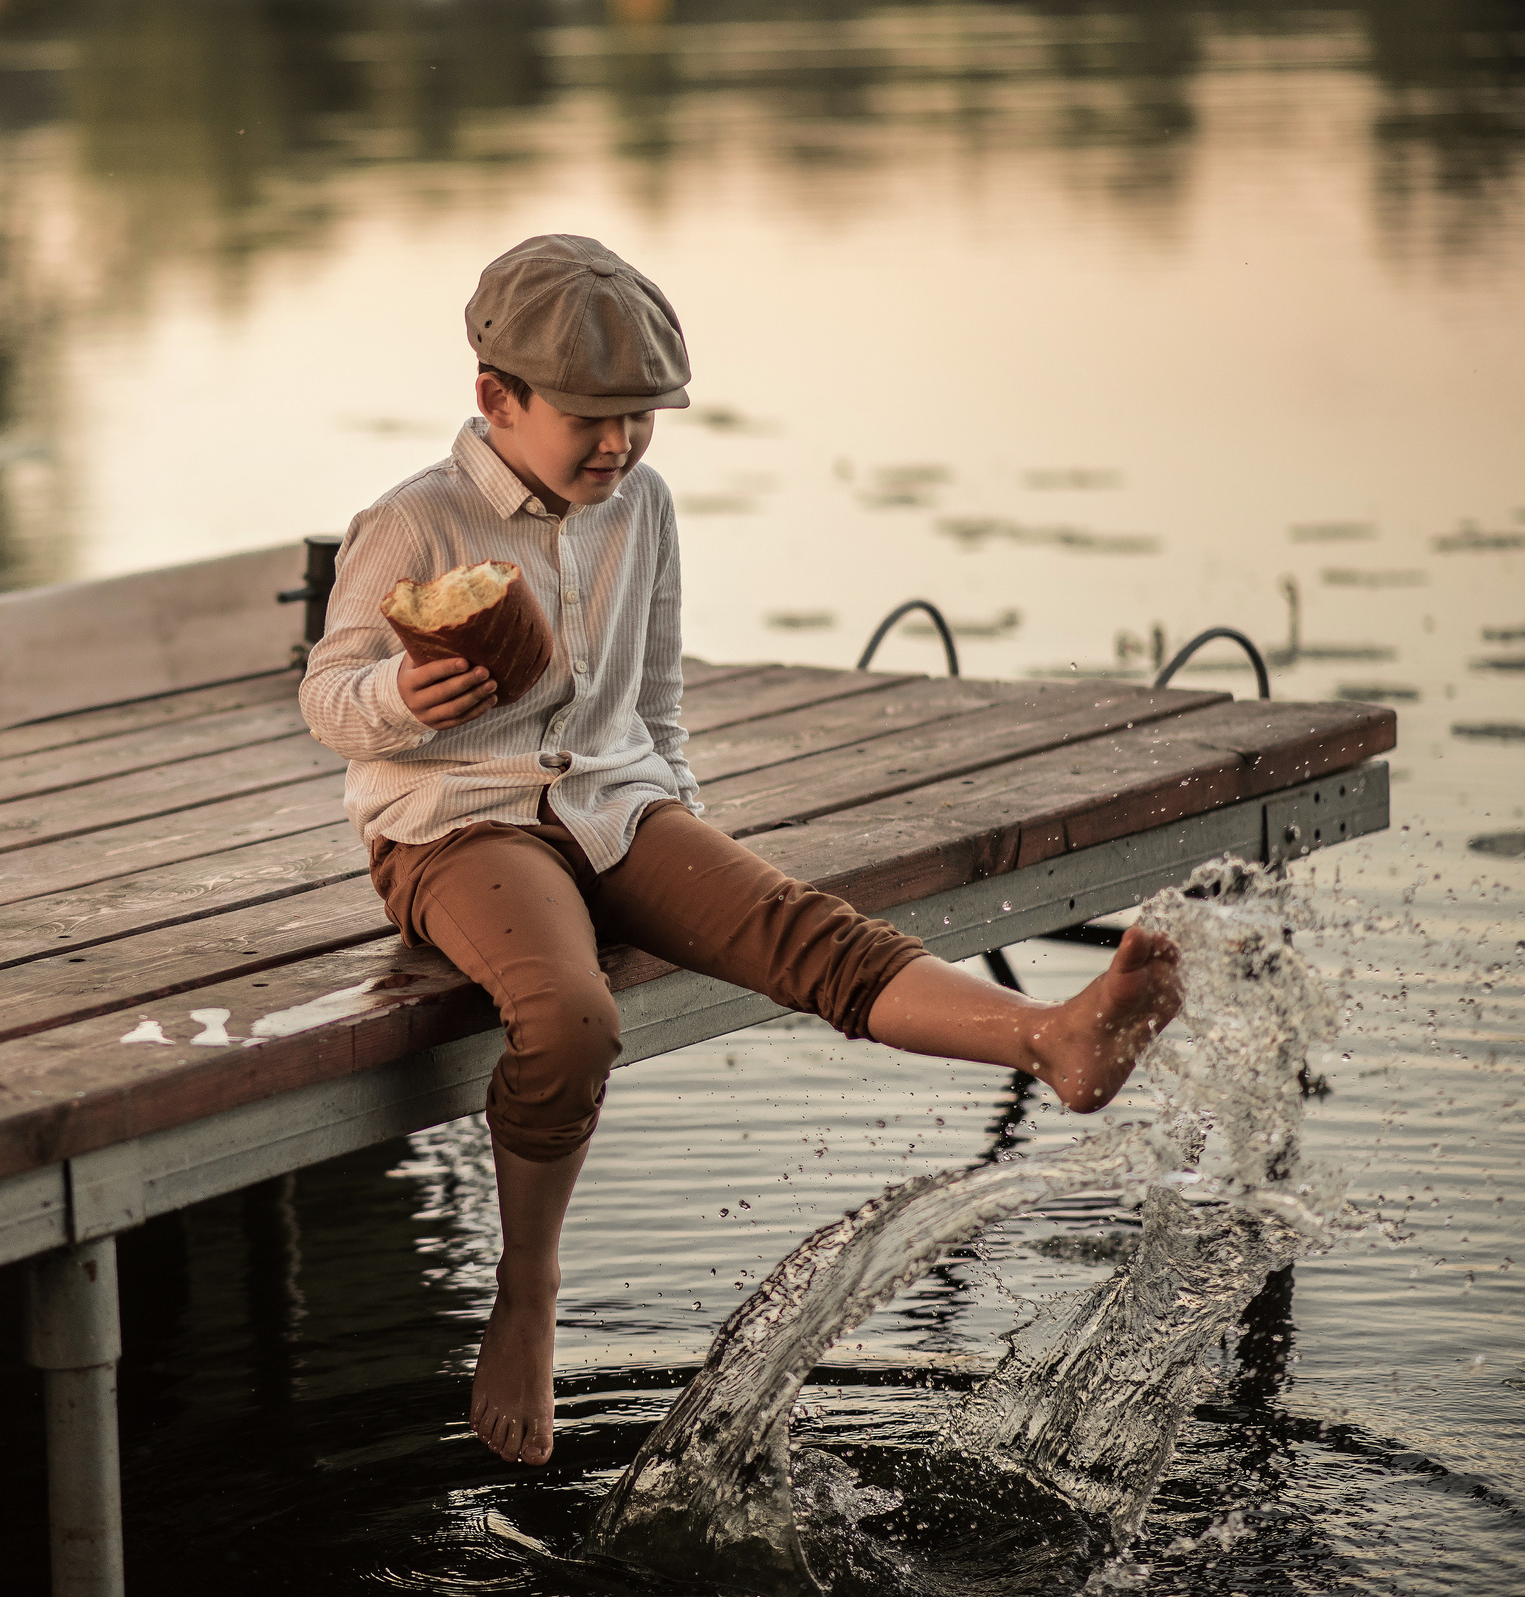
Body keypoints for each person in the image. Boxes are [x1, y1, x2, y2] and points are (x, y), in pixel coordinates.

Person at [297, 234, 1184, 1468]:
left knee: (795, 928)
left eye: (642, 421)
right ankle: (529, 1294)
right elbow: (327, 701)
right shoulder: (412, 523)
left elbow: (654, 696)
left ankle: (1051, 1040)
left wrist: (680, 831)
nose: (618, 447)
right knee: (572, 1015)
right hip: (457, 826)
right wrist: (404, 694)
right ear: (496, 397)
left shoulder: (641, 506)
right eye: (591, 420)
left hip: (615, 804)